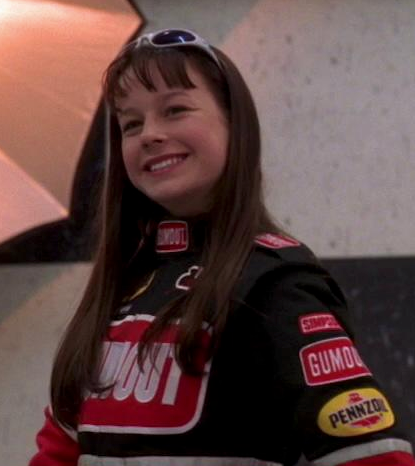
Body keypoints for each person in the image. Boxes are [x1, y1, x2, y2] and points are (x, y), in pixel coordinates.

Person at [29, 28, 415, 466]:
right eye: (131, 123)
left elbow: (374, 457)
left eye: (175, 110)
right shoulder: (121, 287)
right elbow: (57, 453)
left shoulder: (273, 284)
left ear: (236, 125)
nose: (149, 134)